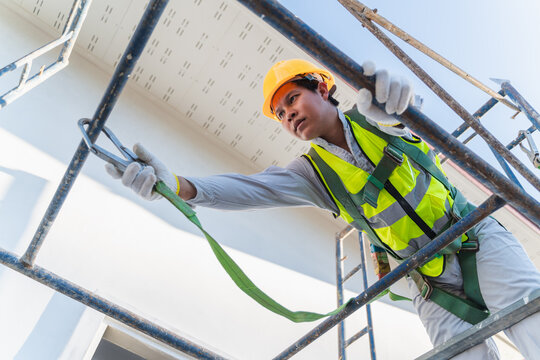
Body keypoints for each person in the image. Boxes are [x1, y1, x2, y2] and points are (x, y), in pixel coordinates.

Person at [106, 59, 540, 359]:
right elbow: (248, 189)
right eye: (279, 114)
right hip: (428, 283)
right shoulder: (312, 173)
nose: (287, 115)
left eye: (292, 99)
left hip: (473, 242)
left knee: (534, 319)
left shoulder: (375, 115)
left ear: (323, 88)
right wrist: (176, 186)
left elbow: (404, 119)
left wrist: (395, 107)